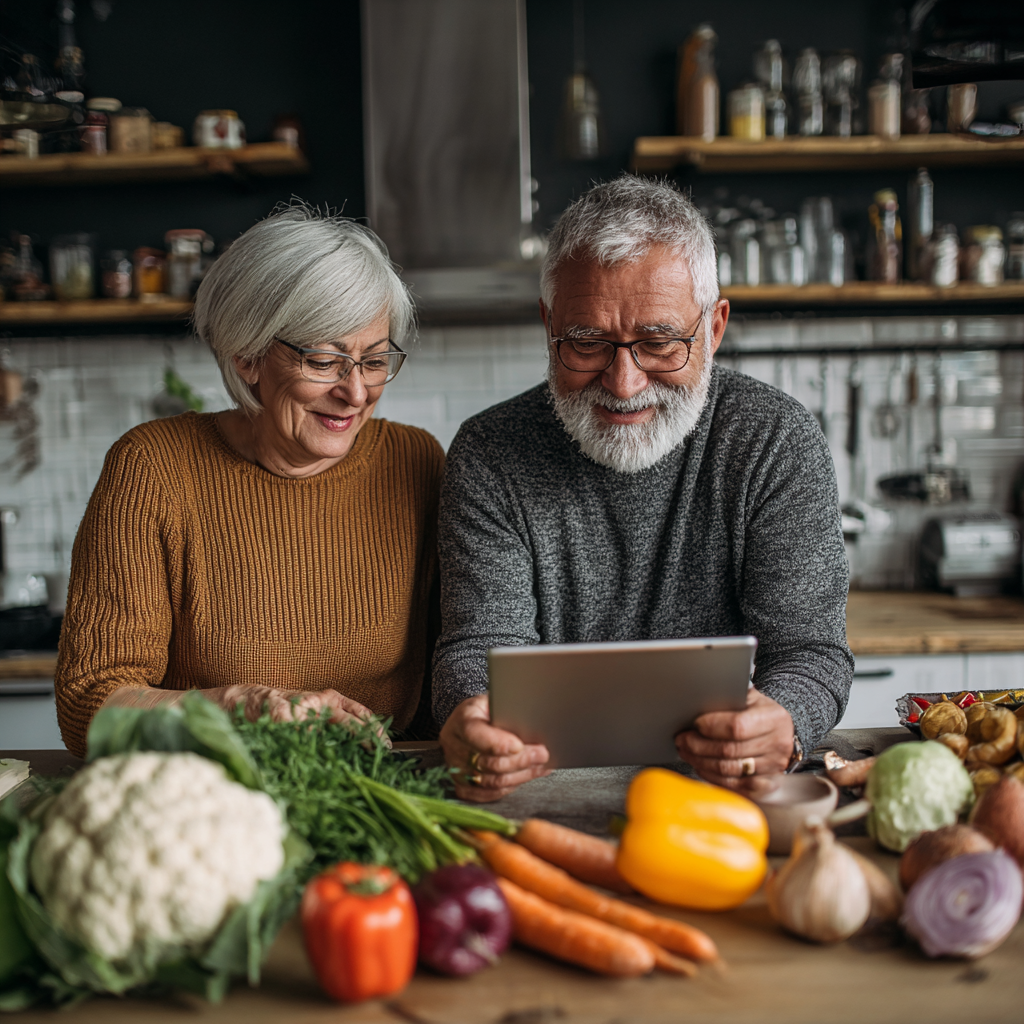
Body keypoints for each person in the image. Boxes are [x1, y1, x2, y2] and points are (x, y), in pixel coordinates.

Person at [433, 176, 853, 802]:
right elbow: (476, 650)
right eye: (586, 343)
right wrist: (473, 714)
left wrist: (784, 724)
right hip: (539, 796)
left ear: (713, 329)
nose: (624, 383)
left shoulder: (775, 440)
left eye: (658, 343)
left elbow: (811, 651)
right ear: (549, 323)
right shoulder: (490, 453)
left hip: (729, 796)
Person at [55, 204, 444, 757]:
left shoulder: (417, 462)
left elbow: (450, 683)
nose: (356, 392)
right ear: (247, 357)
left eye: (375, 360)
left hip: (379, 800)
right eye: (323, 360)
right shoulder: (153, 469)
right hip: (209, 797)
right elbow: (91, 706)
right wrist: (241, 708)